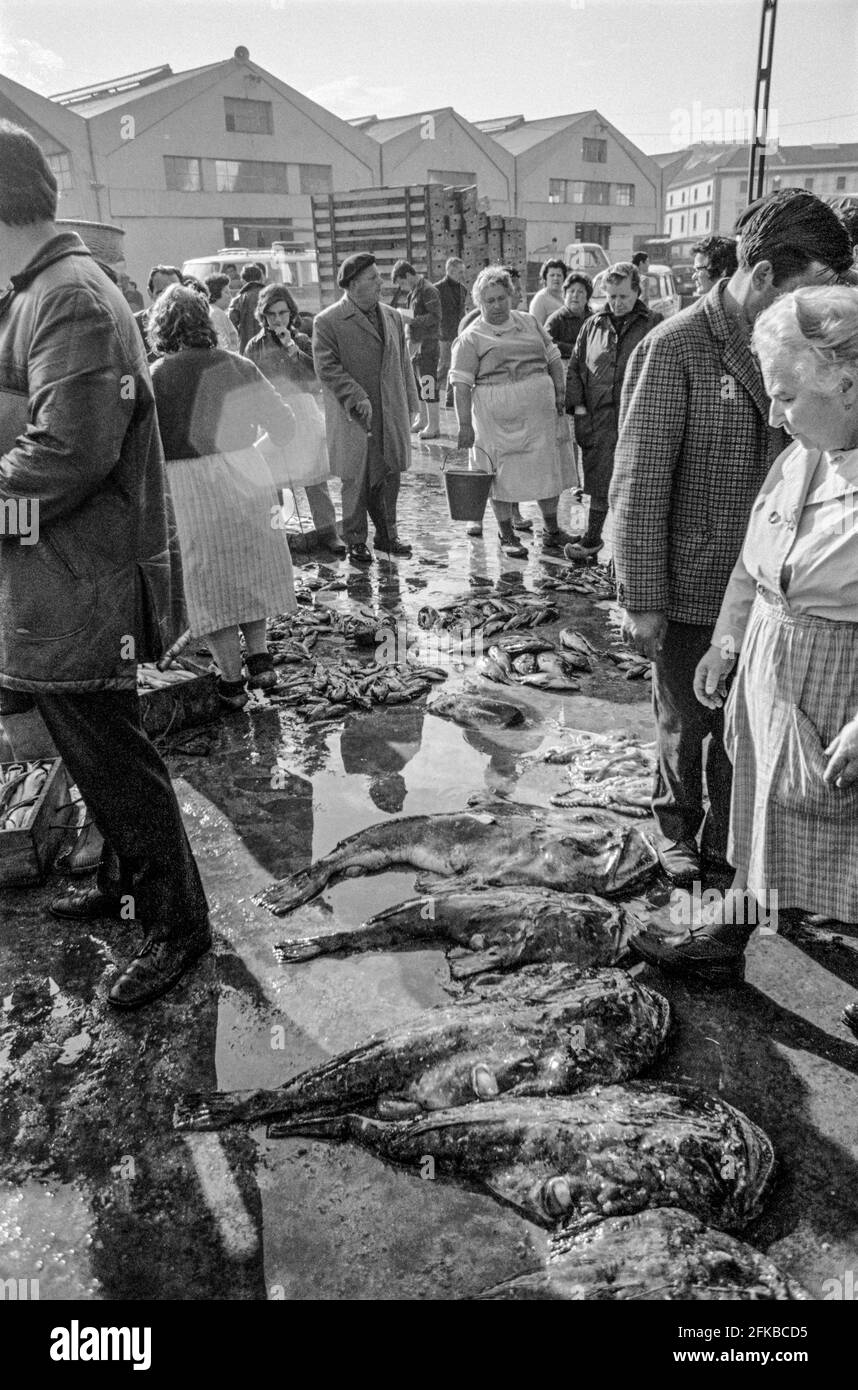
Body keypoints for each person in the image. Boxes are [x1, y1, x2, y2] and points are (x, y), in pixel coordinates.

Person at [0, 122, 211, 1010]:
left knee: (114, 758)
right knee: (92, 754)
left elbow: (68, 454)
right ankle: (126, 881)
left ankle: (177, 926)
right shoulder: (40, 289)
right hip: (53, 579)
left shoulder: (70, 299)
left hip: (80, 583)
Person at [610, 188, 854, 887]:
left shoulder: (802, 345)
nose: (822, 306)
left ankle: (728, 838)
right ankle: (675, 827)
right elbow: (639, 483)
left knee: (743, 727)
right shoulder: (677, 345)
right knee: (683, 722)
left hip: (770, 587)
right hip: (691, 584)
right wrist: (643, 598)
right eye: (814, 287)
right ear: (770, 274)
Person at [631, 287, 858, 1020]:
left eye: (786, 396)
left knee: (845, 834)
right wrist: (728, 640)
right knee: (755, 808)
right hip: (771, 662)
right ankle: (730, 932)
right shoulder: (802, 455)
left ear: (848, 385)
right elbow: (755, 560)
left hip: (840, 683)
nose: (773, 415)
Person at [149, 286, 298, 708]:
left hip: (189, 486)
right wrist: (252, 454)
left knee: (208, 580)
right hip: (249, 474)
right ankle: (261, 659)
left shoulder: (156, 376)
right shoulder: (241, 365)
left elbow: (142, 444)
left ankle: (232, 682)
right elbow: (285, 427)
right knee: (251, 565)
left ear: (162, 328)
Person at [450, 265, 575, 558]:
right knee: (498, 475)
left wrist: (559, 391)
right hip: (495, 419)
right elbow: (460, 385)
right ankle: (506, 534)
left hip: (539, 414)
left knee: (546, 469)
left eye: (501, 298)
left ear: (511, 296)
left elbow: (554, 358)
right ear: (479, 303)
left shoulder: (529, 322)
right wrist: (464, 425)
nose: (496, 305)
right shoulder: (472, 337)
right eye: (489, 300)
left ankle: (552, 531)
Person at [313, 252, 418, 564]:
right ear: (353, 284)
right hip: (354, 416)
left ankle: (388, 535)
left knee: (390, 473)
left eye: (378, 276)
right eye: (373, 278)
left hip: (391, 410)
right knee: (356, 478)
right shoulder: (328, 321)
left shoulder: (393, 316)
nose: (380, 282)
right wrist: (354, 394)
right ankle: (356, 539)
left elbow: (403, 362)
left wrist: (411, 401)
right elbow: (326, 367)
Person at [563, 262, 662, 563]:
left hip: (637, 420)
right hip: (596, 420)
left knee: (633, 487)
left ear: (637, 291)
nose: (617, 304)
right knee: (587, 485)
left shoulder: (653, 323)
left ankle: (628, 552)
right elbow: (576, 369)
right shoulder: (593, 325)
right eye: (611, 297)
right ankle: (585, 536)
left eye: (623, 296)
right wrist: (579, 412)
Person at [245, 283, 346, 557]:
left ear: (291, 314)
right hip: (273, 416)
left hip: (303, 412)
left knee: (314, 479)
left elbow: (316, 378)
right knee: (274, 482)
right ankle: (276, 534)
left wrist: (292, 348)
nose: (278, 320)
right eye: (271, 315)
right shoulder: (254, 346)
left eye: (282, 313)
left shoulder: (301, 340)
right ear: (263, 317)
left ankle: (328, 532)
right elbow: (250, 387)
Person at [391, 259, 443, 439]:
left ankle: (434, 425)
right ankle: (423, 419)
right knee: (420, 384)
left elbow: (435, 317)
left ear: (407, 275)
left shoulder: (428, 290)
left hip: (426, 344)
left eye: (402, 282)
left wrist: (410, 318)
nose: (403, 287)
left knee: (428, 383)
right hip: (416, 345)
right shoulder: (415, 291)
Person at [435, 257, 470, 407]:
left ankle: (449, 399)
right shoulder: (437, 289)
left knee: (454, 367)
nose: (462, 275)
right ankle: (428, 396)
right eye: (459, 272)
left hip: (458, 334)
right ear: (450, 271)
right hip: (444, 335)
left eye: (463, 271)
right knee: (443, 367)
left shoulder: (463, 289)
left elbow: (462, 311)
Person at [135, 262, 182, 357]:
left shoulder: (191, 322)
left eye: (174, 291)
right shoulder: (134, 324)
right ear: (150, 293)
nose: (168, 298)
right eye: (162, 292)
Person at [544, 272, 593, 361]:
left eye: (580, 292)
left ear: (587, 297)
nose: (575, 295)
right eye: (571, 291)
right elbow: (545, 342)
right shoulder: (556, 319)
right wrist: (574, 349)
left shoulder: (593, 320)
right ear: (565, 295)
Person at [229, 263, 270, 352]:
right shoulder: (271, 296)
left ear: (243, 280)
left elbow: (230, 325)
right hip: (270, 348)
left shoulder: (239, 299)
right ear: (260, 278)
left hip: (247, 349)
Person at [528, 257, 567, 326]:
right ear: (545, 278)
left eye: (559, 275)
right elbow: (534, 328)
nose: (556, 278)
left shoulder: (567, 296)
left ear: (564, 278)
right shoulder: (540, 299)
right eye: (552, 275)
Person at [206, 273, 240, 351]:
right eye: (226, 292)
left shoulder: (212, 310)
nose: (230, 296)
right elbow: (222, 345)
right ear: (215, 293)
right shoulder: (216, 313)